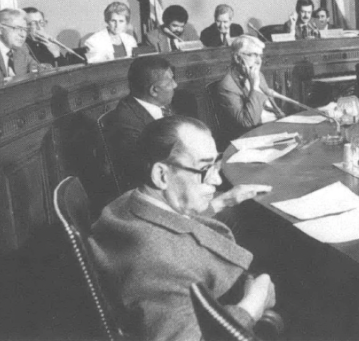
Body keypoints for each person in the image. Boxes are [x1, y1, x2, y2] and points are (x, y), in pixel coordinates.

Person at [89, 116, 276, 341]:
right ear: (161, 175)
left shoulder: (128, 203)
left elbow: (170, 222)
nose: (216, 181)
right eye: (205, 168)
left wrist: (223, 202)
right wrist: (252, 306)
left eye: (216, 165)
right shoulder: (160, 263)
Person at [106, 56, 178, 189]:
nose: (175, 85)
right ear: (153, 91)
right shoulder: (127, 122)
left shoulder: (161, 104)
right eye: (170, 82)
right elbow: (145, 171)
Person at [214, 35, 284, 145]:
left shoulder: (258, 74)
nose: (258, 61)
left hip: (274, 128)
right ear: (237, 58)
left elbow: (272, 106)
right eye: (252, 55)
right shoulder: (227, 85)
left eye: (260, 56)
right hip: (253, 136)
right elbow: (248, 123)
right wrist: (254, 87)